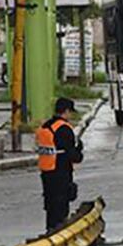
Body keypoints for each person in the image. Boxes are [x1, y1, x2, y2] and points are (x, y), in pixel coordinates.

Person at [37, 97, 84, 232]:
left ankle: (50, 231)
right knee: (61, 207)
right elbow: (72, 155)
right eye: (70, 112)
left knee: (50, 207)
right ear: (66, 111)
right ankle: (59, 233)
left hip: (46, 172)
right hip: (60, 172)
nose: (71, 116)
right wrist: (79, 152)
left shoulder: (45, 126)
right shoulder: (63, 128)